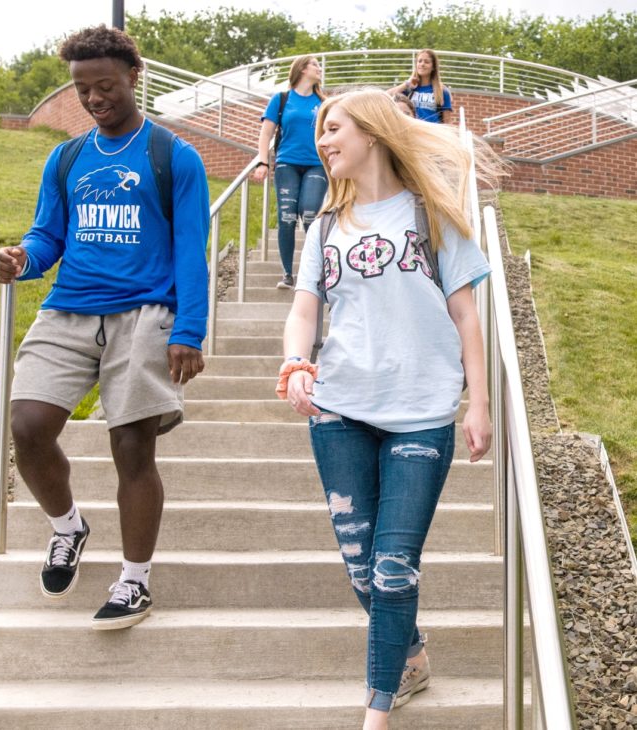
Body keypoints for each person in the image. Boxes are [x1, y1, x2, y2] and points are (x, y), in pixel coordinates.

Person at [276, 88, 500, 728]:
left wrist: (476, 403)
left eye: (333, 128)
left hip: (423, 411)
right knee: (364, 573)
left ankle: (376, 713)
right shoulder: (324, 226)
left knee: (394, 568)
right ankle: (412, 656)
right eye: (319, 131)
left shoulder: (432, 214)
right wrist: (296, 364)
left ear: (372, 133)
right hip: (340, 411)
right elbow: (303, 310)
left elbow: (467, 316)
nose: (322, 141)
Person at [0, 25, 210, 631]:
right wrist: (24, 259)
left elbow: (192, 248)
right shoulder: (66, 158)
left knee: (132, 445)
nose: (94, 99)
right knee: (28, 426)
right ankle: (68, 527)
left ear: (134, 77)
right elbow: (47, 236)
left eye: (105, 85)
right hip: (70, 308)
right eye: (83, 89)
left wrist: (188, 330)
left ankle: (135, 579)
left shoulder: (173, 156)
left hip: (145, 312)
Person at [252, 56, 328, 289]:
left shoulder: (324, 102)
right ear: (303, 69)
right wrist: (262, 162)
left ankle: (316, 270)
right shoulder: (282, 99)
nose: (319, 68)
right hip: (287, 163)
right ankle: (287, 274)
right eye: (315, 64)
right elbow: (266, 134)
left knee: (309, 213)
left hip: (316, 164)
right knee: (286, 218)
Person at [387, 49, 453, 124]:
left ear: (433, 67)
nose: (422, 64)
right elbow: (385, 96)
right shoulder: (409, 88)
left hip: (431, 132)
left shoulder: (442, 91)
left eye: (426, 62)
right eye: (419, 61)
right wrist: (406, 84)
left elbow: (447, 123)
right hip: (413, 131)